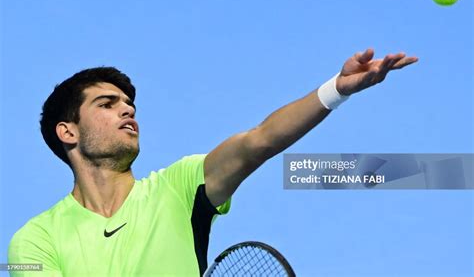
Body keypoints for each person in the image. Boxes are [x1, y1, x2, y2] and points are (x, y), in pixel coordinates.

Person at [8, 48, 418, 276]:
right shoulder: (33, 241)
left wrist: (334, 91)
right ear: (68, 132)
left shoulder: (179, 187)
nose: (127, 111)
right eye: (107, 104)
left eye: (130, 104)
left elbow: (260, 140)